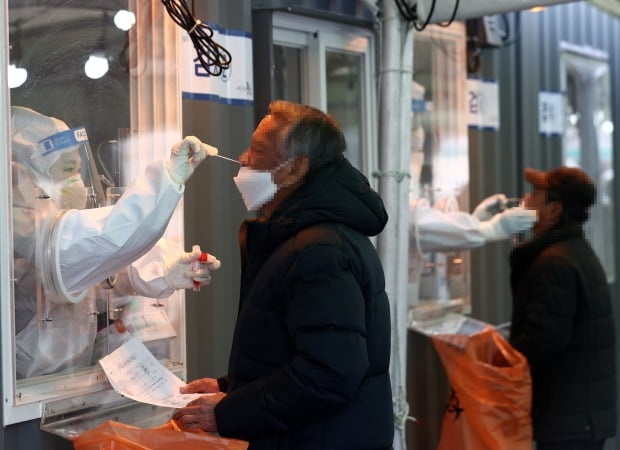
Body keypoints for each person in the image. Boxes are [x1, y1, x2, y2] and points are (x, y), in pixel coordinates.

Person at [173, 100, 393, 449]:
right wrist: (231, 386)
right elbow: (294, 349)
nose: (243, 159)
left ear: (295, 169)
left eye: (257, 150)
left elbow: (330, 373)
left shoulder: (319, 251)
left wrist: (230, 412)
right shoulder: (297, 237)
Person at [11, 106, 220, 378]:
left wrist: (161, 270)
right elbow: (86, 249)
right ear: (28, 178)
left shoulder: (46, 224)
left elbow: (96, 280)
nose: (78, 180)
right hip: (23, 391)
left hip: (64, 382)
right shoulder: (19, 227)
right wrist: (166, 180)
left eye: (78, 168)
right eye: (67, 169)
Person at [508, 166, 616, 450]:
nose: (524, 198)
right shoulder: (573, 250)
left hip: (567, 419)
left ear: (553, 210)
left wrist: (501, 362)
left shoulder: (554, 262)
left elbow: (543, 339)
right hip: (579, 414)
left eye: (534, 194)